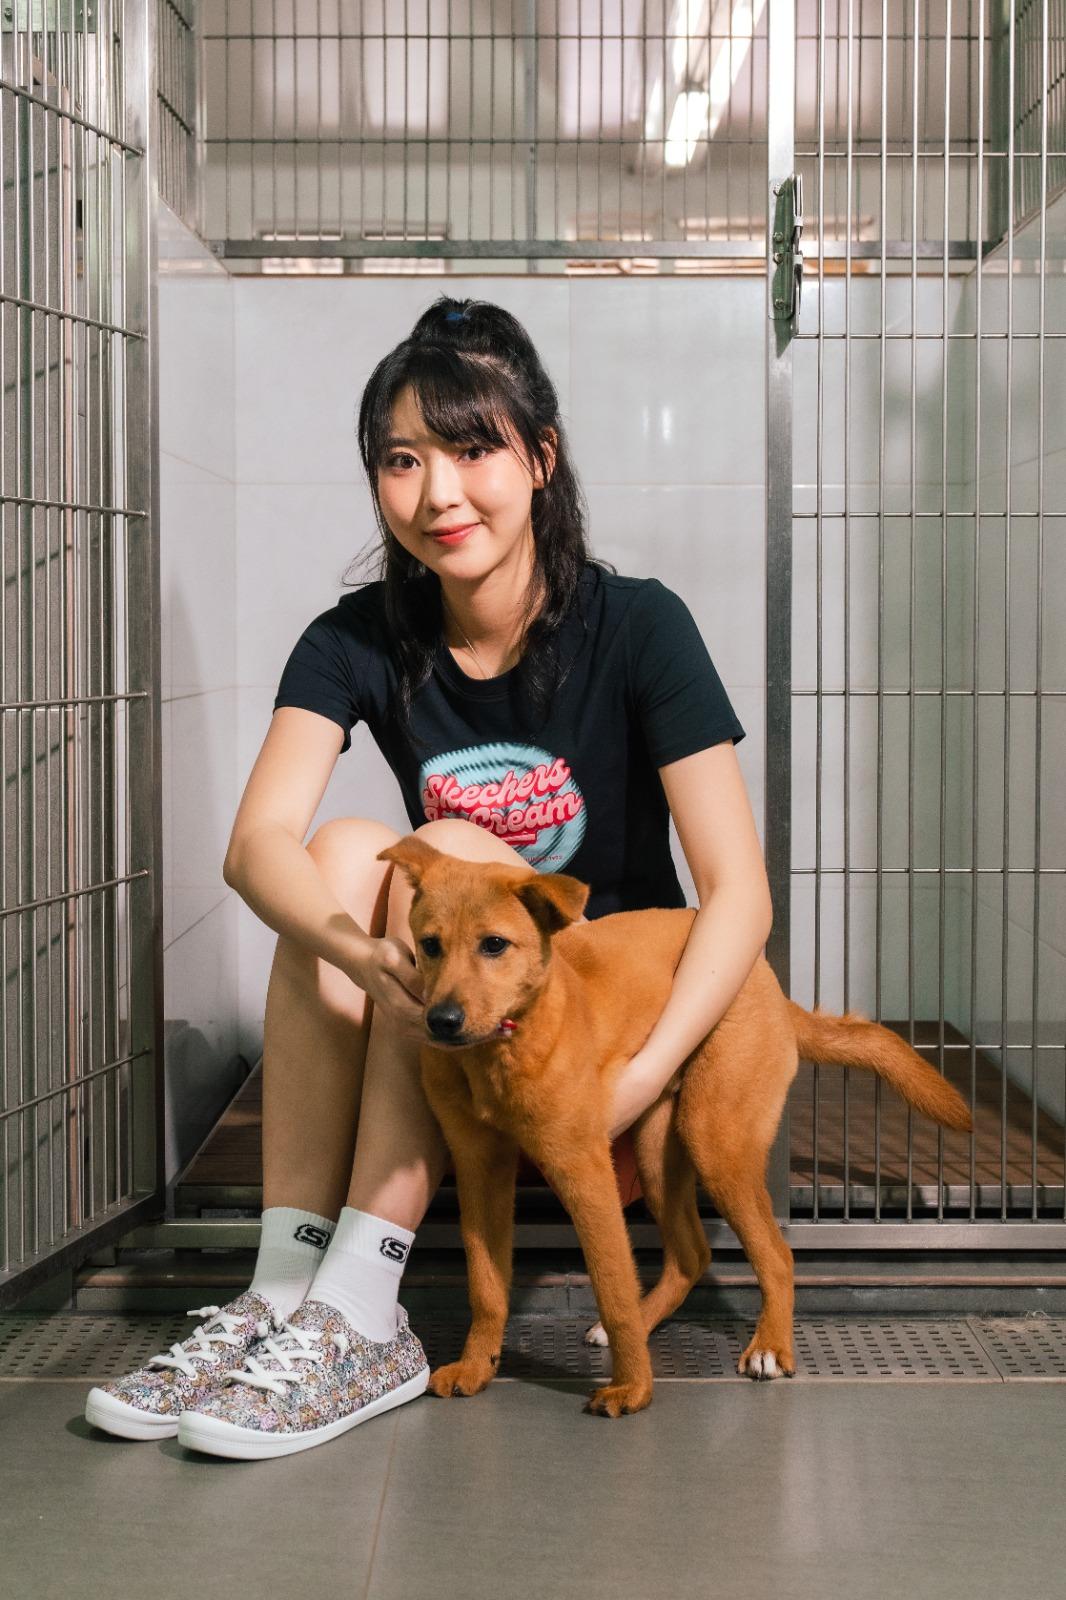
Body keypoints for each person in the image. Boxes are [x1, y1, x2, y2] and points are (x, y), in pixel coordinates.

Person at [85, 296, 773, 1459]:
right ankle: (284, 1292)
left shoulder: (639, 626)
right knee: (341, 855)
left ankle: (365, 1308)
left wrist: (642, 1074)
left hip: (597, 1056)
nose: (438, 492)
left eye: (471, 449)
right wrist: (360, 951)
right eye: (402, 460)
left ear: (539, 459)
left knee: (439, 845)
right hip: (458, 1036)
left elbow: (739, 893)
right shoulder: (360, 635)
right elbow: (255, 844)